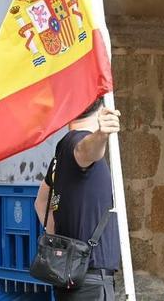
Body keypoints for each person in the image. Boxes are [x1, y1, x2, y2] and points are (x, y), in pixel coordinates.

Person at [34, 98, 121, 300]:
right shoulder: (77, 140)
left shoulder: (61, 151)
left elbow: (41, 203)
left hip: (73, 275)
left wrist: (61, 243)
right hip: (90, 281)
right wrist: (101, 135)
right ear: (102, 107)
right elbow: (85, 150)